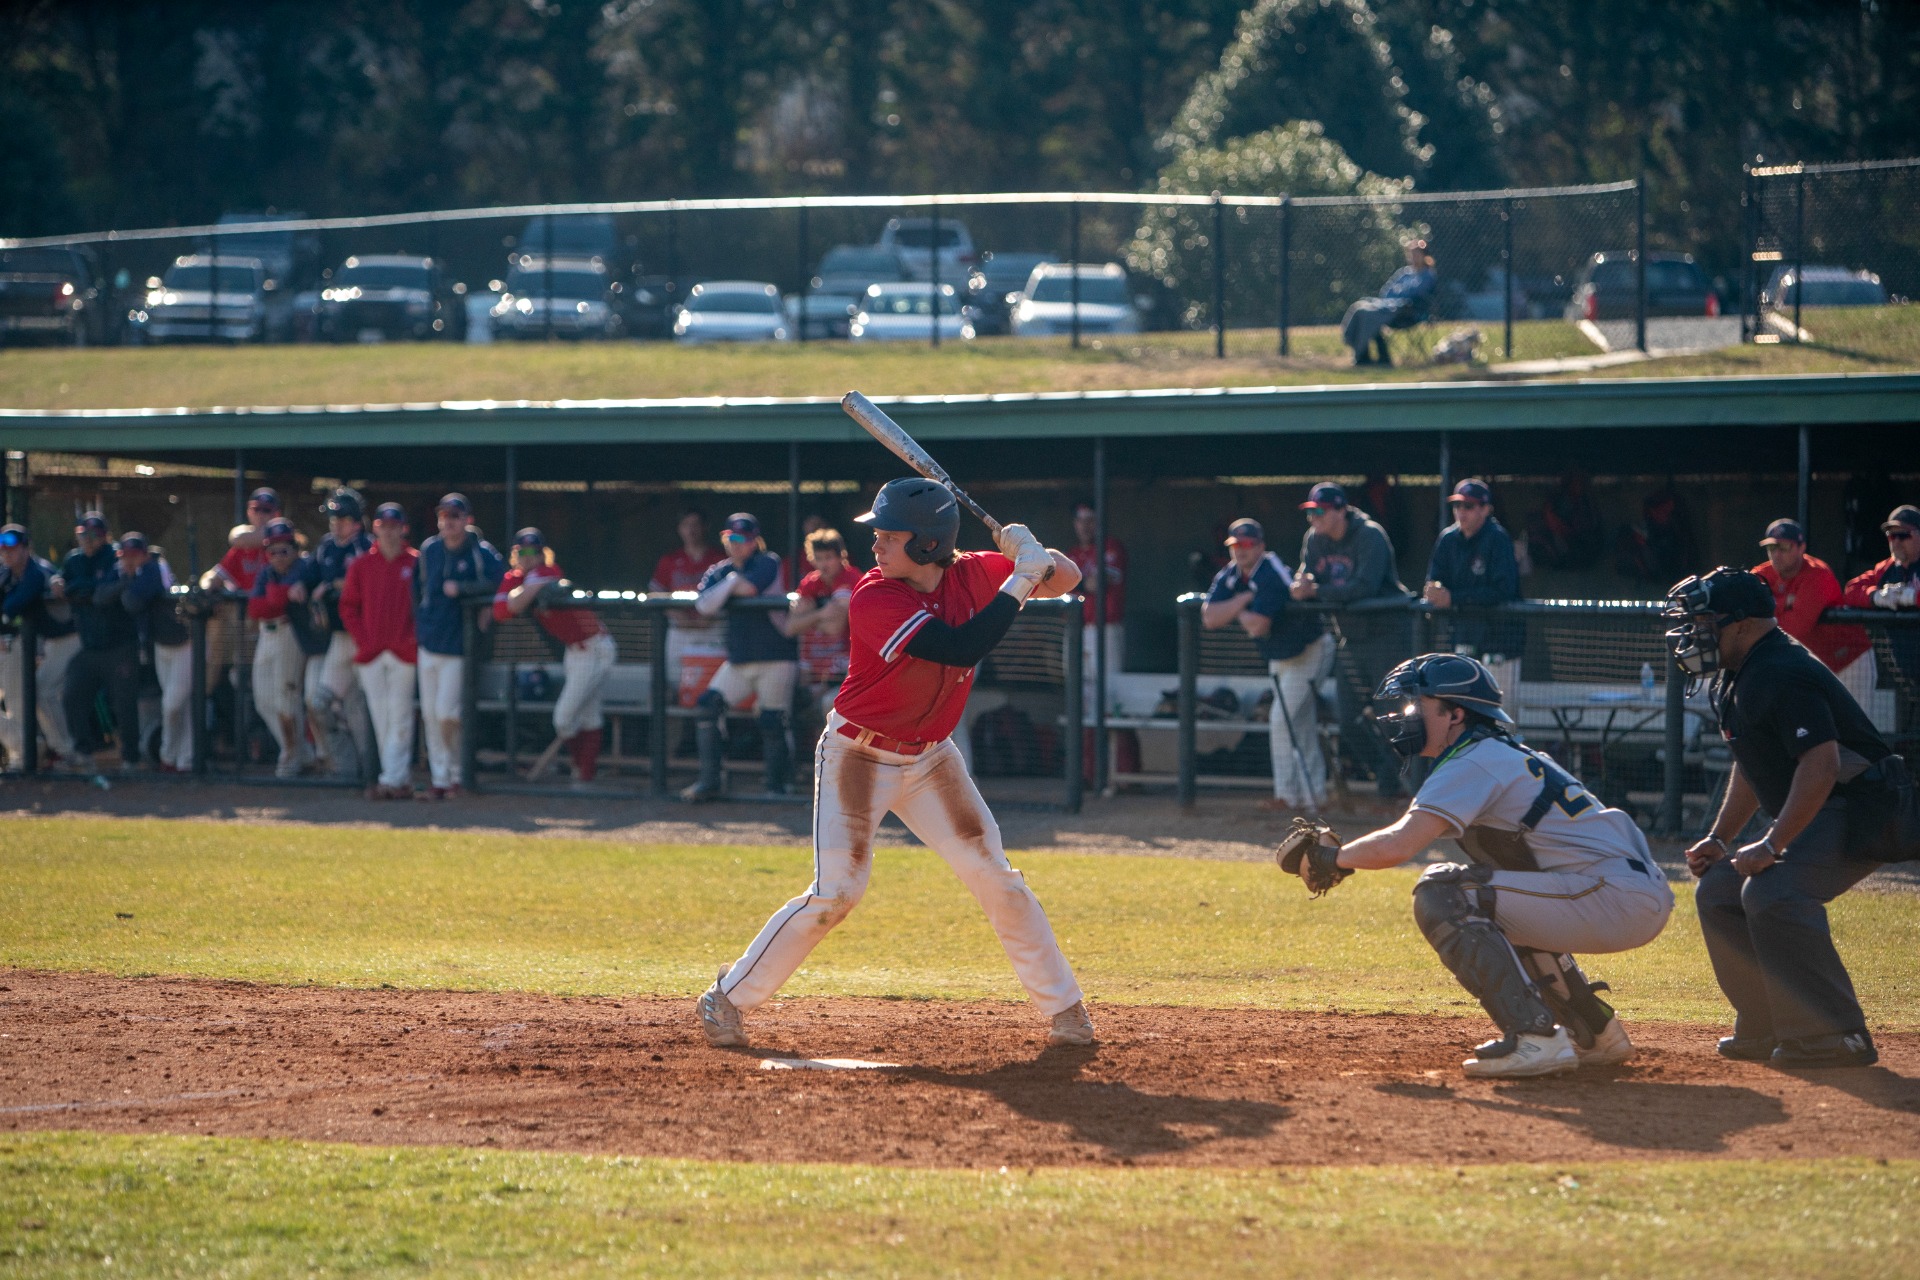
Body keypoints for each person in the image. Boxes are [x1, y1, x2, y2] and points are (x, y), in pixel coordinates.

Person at [697, 478, 1095, 1049]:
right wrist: (1022, 576)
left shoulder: (976, 573)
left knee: (996, 878)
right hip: (858, 754)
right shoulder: (875, 595)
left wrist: (1029, 551)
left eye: (889, 535)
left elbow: (1068, 577)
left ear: (930, 544)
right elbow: (961, 646)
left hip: (931, 757)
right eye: (877, 534)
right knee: (838, 891)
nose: (876, 546)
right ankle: (728, 997)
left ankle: (1065, 1011)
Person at [1286, 653, 1672, 1077]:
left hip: (1610, 894)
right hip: (1622, 892)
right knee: (1495, 899)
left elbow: (1400, 843)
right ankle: (1595, 1032)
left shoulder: (1474, 759)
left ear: (1455, 714)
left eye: (1417, 705)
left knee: (1444, 894)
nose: (1404, 715)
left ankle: (1535, 1038)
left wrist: (1332, 858)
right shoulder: (1497, 752)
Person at [1671, 568, 1895, 1069]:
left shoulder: (1780, 668)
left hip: (1863, 810)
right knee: (1719, 891)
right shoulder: (1743, 669)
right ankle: (1768, 1021)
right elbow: (1753, 766)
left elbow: (1823, 764)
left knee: (1775, 892)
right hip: (1826, 804)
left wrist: (1771, 846)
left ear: (1745, 624)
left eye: (1706, 621)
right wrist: (1720, 838)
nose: (1696, 633)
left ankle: (1839, 1034)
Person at [1202, 517, 1331, 812]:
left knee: (1281, 721)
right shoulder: (1232, 574)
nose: (1241, 551)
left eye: (1247, 544)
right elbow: (1210, 618)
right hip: (1281, 656)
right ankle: (1315, 799)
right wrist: (1245, 600)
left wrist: (1234, 607)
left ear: (1260, 545)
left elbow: (1258, 626)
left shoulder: (1271, 571)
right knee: (1299, 724)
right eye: (1236, 545)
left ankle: (1287, 796)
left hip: (1308, 650)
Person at [1292, 481, 1412, 798]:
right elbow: (1306, 578)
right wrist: (1300, 587)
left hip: (1388, 636)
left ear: (1341, 510)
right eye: (1310, 512)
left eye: (1320, 511)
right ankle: (1387, 777)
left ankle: (1402, 790)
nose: (1314, 518)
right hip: (1351, 640)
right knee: (1348, 721)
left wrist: (1316, 591)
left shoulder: (1370, 535)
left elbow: (1364, 588)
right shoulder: (1314, 540)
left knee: (1394, 716)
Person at [683, 513, 798, 801]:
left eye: (743, 539)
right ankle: (710, 781)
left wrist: (733, 584)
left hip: (775, 656)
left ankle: (777, 786)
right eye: (732, 538)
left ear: (754, 541)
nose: (737, 545)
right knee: (708, 706)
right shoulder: (720, 570)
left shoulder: (767, 561)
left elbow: (750, 589)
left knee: (772, 720)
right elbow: (704, 606)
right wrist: (733, 579)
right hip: (739, 659)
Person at [493, 528, 615, 785]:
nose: (529, 557)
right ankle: (584, 774)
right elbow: (501, 611)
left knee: (563, 717)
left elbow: (515, 604)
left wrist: (523, 592)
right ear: (515, 554)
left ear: (543, 554)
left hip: (595, 646)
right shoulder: (516, 577)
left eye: (534, 552)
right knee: (589, 715)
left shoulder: (549, 572)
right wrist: (523, 591)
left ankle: (580, 769)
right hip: (574, 650)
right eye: (522, 552)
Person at [412, 493, 505, 799]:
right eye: (444, 516)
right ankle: (441, 779)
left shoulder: (481, 551)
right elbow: (417, 592)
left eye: (455, 516)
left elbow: (501, 582)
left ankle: (458, 773)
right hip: (429, 642)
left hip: (459, 646)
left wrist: (465, 590)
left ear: (467, 520)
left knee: (447, 713)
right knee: (430, 715)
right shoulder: (429, 549)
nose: (448, 522)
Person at [340, 502, 419, 799]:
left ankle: (392, 779)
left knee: (399, 716)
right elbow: (348, 607)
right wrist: (364, 640)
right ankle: (395, 778)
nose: (389, 531)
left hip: (403, 651)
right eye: (383, 526)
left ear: (403, 529)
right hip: (371, 653)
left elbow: (424, 608)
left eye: (394, 526)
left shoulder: (415, 562)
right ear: (376, 528)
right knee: (381, 717)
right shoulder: (362, 565)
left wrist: (411, 639)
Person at [1752, 518, 1873, 707]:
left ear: (1801, 548)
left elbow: (1794, 628)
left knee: (1855, 733)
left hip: (1849, 662)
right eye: (1771, 548)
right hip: (1813, 667)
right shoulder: (1761, 575)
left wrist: (1770, 612)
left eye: (1784, 547)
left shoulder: (1818, 574)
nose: (1776, 554)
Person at [61, 511, 144, 771]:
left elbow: (102, 593)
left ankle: (131, 758)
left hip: (120, 646)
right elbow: (68, 586)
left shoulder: (115, 556)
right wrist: (85, 588)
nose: (88, 540)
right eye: (82, 534)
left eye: (94, 535)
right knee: (72, 694)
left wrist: (84, 590)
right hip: (90, 648)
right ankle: (84, 751)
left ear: (106, 536)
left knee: (124, 704)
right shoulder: (73, 561)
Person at [305, 488, 375, 780]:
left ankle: (370, 770)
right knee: (318, 703)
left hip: (365, 638)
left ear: (357, 521)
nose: (336, 523)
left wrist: (333, 585)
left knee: (361, 709)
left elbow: (366, 582)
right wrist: (300, 584)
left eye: (342, 518)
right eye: (333, 518)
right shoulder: (325, 546)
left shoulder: (366, 546)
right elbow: (305, 571)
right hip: (339, 638)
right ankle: (347, 767)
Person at [0, 523, 80, 770]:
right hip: (43, 642)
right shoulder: (7, 573)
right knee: (32, 696)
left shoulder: (38, 571)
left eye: (13, 549)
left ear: (27, 549)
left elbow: (13, 606)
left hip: (68, 638)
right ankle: (38, 748)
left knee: (38, 693)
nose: (7, 554)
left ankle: (59, 751)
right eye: (3, 550)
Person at [247, 519, 321, 778]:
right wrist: (278, 596)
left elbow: (277, 601)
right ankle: (301, 752)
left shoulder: (304, 566)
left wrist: (277, 596)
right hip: (267, 634)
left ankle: (291, 758)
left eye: (284, 550)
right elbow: (256, 608)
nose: (278, 556)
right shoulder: (266, 571)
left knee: (286, 697)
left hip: (290, 633)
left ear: (295, 548)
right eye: (272, 551)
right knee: (263, 700)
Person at [115, 532, 191, 772]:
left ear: (145, 554)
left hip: (183, 643)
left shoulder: (153, 568)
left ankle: (169, 757)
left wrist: (127, 579)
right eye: (125, 556)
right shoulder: (137, 571)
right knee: (179, 705)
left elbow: (132, 602)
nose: (130, 560)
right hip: (161, 644)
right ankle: (185, 759)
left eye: (134, 556)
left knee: (173, 704)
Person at [1424, 479, 1522, 659]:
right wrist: (1435, 590)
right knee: (1461, 687)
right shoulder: (1448, 539)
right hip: (1463, 639)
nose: (1461, 511)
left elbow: (1503, 590)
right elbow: (1435, 577)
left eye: (1468, 506)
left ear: (1485, 509)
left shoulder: (1497, 539)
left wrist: (1453, 597)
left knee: (1499, 689)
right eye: (1457, 505)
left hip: (1499, 642)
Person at [649, 508, 726, 700]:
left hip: (711, 628)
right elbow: (655, 593)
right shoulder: (670, 560)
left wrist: (709, 616)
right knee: (675, 685)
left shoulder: (720, 560)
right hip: (680, 630)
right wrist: (678, 616)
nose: (691, 530)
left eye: (695, 525)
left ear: (705, 527)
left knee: (713, 684)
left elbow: (732, 592)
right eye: (686, 526)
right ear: (679, 529)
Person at [1842, 504, 1920, 690]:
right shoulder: (1887, 569)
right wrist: (1876, 597)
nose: (1896, 542)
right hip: (1910, 669)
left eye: (1903, 535)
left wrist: (1914, 597)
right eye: (1891, 536)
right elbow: (1851, 590)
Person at [784, 527, 854, 712]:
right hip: (821, 669)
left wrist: (808, 617)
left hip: (852, 668)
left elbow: (835, 628)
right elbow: (790, 627)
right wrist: (820, 614)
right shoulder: (811, 582)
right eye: (819, 558)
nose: (824, 564)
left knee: (829, 705)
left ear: (841, 556)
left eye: (829, 557)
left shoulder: (851, 577)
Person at [1340, 239, 1436, 366]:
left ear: (1425, 255)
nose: (1413, 257)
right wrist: (1400, 293)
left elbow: (1415, 295)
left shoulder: (1428, 275)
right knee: (1359, 307)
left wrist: (1399, 292)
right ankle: (1362, 352)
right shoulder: (1404, 273)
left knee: (1368, 314)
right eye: (1411, 254)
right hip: (1389, 307)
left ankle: (1372, 357)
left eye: (1417, 254)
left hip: (1408, 313)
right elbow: (1387, 292)